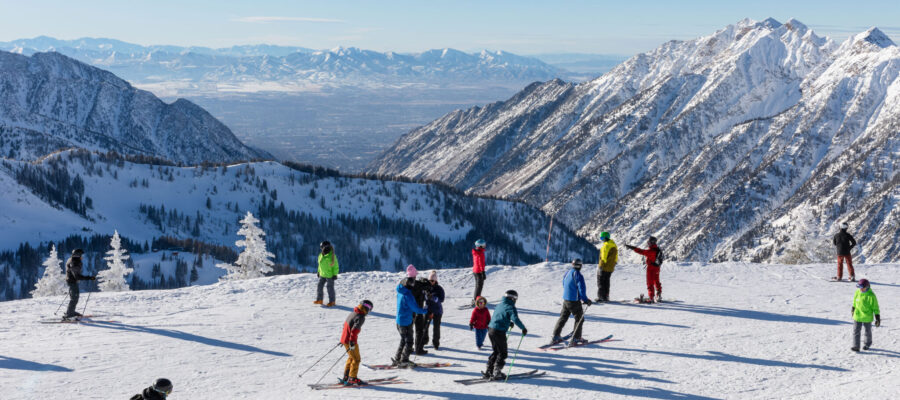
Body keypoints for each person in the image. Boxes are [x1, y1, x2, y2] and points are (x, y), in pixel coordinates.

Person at [483, 290, 527, 381]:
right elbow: (515, 318)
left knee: (496, 351)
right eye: (515, 299)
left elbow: (499, 316)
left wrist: (508, 323)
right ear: (512, 298)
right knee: (502, 352)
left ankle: (489, 370)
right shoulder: (510, 307)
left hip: (491, 330)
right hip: (499, 331)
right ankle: (497, 372)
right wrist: (523, 328)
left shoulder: (500, 304)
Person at [393, 265, 428, 367]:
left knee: (403, 340)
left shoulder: (400, 291)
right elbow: (416, 309)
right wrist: (425, 310)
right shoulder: (408, 295)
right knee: (409, 341)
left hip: (399, 321)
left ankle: (398, 358)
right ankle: (404, 360)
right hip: (406, 321)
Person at [551, 259, 592, 345]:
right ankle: (576, 338)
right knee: (579, 319)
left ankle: (555, 336)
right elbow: (581, 289)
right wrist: (585, 300)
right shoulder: (578, 275)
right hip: (574, 301)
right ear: (580, 266)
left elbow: (564, 284)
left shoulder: (567, 273)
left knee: (563, 318)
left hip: (566, 300)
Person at [340, 300, 374, 386]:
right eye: (369, 309)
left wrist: (343, 339)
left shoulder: (353, 313)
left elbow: (345, 326)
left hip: (345, 340)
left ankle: (346, 376)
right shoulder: (360, 316)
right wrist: (352, 342)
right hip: (351, 341)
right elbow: (354, 330)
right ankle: (352, 378)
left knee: (351, 357)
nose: (369, 311)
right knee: (356, 359)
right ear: (366, 308)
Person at [625, 236, 663, 302]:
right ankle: (658, 295)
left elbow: (641, 251)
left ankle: (651, 297)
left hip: (651, 268)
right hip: (657, 268)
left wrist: (632, 248)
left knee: (650, 283)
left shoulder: (651, 251)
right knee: (656, 281)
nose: (648, 243)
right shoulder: (658, 249)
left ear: (652, 242)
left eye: (649, 242)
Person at [64, 248, 96, 319]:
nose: (82, 256)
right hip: (72, 282)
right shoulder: (74, 263)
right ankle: (69, 314)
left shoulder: (72, 260)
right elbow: (77, 276)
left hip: (71, 281)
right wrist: (89, 278)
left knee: (74, 297)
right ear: (78, 255)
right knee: (74, 298)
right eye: (81, 255)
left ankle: (71, 311)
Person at [851, 279, 881, 352]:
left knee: (867, 331)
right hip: (857, 316)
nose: (861, 289)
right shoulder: (858, 292)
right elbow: (855, 301)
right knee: (856, 331)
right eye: (859, 287)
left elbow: (875, 307)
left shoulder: (871, 296)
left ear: (867, 287)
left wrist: (877, 317)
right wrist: (853, 308)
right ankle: (856, 346)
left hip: (867, 317)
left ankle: (867, 344)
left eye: (862, 287)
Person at [423, 270, 445, 350]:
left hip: (437, 311)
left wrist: (433, 298)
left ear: (435, 281)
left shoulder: (439, 289)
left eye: (432, 281)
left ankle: (436, 343)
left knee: (436, 328)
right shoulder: (426, 288)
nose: (431, 282)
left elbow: (442, 299)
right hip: (428, 310)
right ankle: (425, 340)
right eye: (429, 280)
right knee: (425, 326)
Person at [314, 241, 339, 307]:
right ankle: (319, 299)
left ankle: (332, 301)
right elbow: (320, 265)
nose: (321, 248)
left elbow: (335, 266)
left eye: (322, 247)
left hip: (330, 275)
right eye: (321, 247)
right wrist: (318, 271)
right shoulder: (321, 255)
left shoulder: (332, 255)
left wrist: (335, 274)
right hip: (322, 274)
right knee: (319, 286)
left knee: (330, 288)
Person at [595, 232, 618, 302]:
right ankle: (606, 296)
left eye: (602, 238)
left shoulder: (606, 246)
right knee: (606, 282)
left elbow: (603, 257)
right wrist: (613, 264)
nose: (602, 239)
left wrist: (600, 266)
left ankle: (601, 297)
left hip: (604, 267)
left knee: (601, 281)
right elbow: (616, 258)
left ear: (605, 237)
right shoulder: (614, 245)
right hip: (610, 267)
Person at [471, 239, 487, 306]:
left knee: (478, 286)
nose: (484, 246)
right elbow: (481, 263)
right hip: (479, 271)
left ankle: (476, 298)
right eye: (483, 245)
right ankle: (476, 300)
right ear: (479, 246)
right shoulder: (480, 253)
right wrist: (482, 272)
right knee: (479, 286)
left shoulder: (476, 252)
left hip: (475, 271)